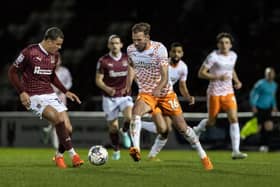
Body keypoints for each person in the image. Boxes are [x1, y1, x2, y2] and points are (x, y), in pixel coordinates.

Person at [126, 22, 213, 170]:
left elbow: (165, 76)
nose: (136, 42)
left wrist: (158, 89)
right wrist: (128, 85)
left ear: (147, 37)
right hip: (147, 93)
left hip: (166, 94)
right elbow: (131, 66)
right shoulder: (131, 49)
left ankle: (204, 157)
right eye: (134, 39)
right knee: (135, 113)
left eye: (139, 39)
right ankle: (136, 149)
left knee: (184, 129)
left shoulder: (159, 49)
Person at [8, 27, 84, 168]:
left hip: (49, 94)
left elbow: (52, 76)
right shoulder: (29, 52)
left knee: (69, 128)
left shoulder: (54, 56)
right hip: (33, 96)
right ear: (48, 41)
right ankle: (74, 155)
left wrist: (65, 91)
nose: (59, 47)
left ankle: (59, 156)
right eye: (57, 44)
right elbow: (12, 72)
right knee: (57, 118)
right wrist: (21, 92)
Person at [194, 32, 247, 159]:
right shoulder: (213, 56)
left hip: (228, 92)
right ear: (218, 44)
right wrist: (217, 77)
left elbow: (231, 69)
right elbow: (201, 73)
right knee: (211, 122)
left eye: (227, 43)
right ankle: (197, 129)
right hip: (214, 93)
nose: (224, 45)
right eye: (222, 42)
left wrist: (237, 81)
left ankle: (235, 151)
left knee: (234, 119)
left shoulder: (234, 55)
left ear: (230, 45)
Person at [140, 42, 195, 160]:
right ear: (170, 52)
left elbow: (182, 86)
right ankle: (137, 125)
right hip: (154, 97)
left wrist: (188, 97)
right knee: (162, 129)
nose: (176, 54)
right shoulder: (162, 63)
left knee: (166, 130)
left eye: (179, 52)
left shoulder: (183, 67)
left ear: (182, 54)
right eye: (174, 51)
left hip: (167, 98)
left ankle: (151, 156)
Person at [95, 34, 132, 160]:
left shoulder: (128, 59)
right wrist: (107, 88)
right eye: (112, 43)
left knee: (129, 117)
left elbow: (134, 76)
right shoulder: (103, 61)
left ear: (121, 45)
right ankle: (116, 150)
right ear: (108, 45)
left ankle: (126, 131)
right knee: (113, 128)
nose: (115, 45)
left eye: (117, 43)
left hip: (124, 96)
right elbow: (98, 80)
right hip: (109, 98)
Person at [42, 54, 73, 150]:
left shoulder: (65, 71)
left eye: (57, 60)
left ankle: (48, 130)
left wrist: (63, 90)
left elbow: (69, 82)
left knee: (60, 121)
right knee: (56, 120)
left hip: (61, 97)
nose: (55, 62)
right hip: (48, 97)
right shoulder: (45, 71)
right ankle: (57, 146)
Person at [249, 67, 278, 152]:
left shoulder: (274, 85)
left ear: (274, 74)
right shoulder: (260, 83)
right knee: (258, 128)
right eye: (268, 73)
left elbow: (273, 96)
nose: (270, 75)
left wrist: (274, 106)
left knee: (269, 126)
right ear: (266, 74)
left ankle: (265, 145)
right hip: (259, 108)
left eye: (271, 73)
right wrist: (253, 106)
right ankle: (243, 139)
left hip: (268, 108)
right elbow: (252, 94)